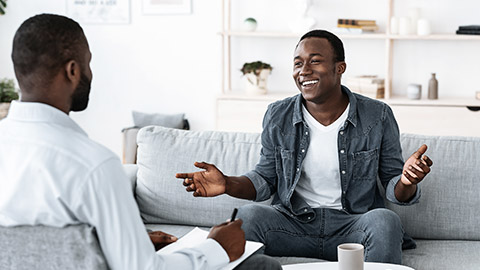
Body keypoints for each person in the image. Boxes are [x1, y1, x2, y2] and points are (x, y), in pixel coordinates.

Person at [0, 14, 281, 270]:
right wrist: (216, 247)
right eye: (88, 63)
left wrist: (130, 240)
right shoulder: (92, 166)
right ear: (73, 71)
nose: (90, 73)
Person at [176, 29, 433, 264]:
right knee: (249, 216)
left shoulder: (377, 115)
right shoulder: (278, 115)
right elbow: (265, 179)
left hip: (351, 228)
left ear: (339, 67)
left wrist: (407, 181)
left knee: (385, 220)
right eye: (298, 63)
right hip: (293, 225)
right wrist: (227, 184)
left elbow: (394, 188)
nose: (304, 70)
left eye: (315, 60)